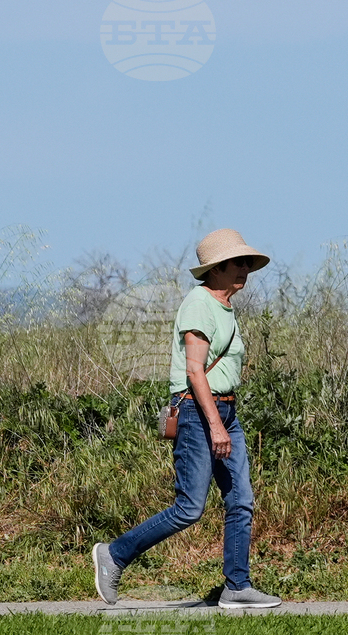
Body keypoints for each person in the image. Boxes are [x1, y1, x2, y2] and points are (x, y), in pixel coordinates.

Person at [93, 229, 282, 609]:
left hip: (225, 409)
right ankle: (115, 554)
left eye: (247, 263)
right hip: (200, 411)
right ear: (215, 270)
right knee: (189, 508)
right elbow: (196, 371)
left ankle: (237, 587)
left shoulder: (224, 307)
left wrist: (223, 418)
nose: (244, 269)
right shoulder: (199, 304)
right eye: (237, 263)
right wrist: (214, 425)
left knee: (241, 500)